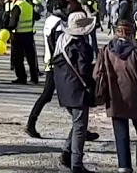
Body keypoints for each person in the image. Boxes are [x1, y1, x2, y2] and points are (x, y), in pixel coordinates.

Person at [94, 19, 137, 173]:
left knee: (121, 133)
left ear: (116, 32)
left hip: (115, 98)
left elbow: (97, 74)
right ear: (131, 34)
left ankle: (124, 166)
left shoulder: (106, 51)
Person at [52, 10, 98, 173]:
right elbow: (84, 71)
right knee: (80, 127)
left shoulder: (62, 40)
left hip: (63, 87)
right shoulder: (82, 47)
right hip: (77, 89)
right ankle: (76, 163)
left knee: (77, 123)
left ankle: (66, 154)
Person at [26, 0, 70, 138]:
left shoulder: (50, 19)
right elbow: (56, 43)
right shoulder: (58, 23)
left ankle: (81, 126)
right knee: (59, 94)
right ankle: (30, 124)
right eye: (66, 8)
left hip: (51, 61)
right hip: (56, 63)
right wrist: (60, 60)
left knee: (65, 95)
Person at [7, 0, 41, 84]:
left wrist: (6, 29)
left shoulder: (17, 6)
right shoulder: (28, 5)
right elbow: (37, 16)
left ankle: (22, 78)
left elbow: (13, 23)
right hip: (29, 35)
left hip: (18, 36)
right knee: (31, 58)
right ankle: (34, 78)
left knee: (18, 58)